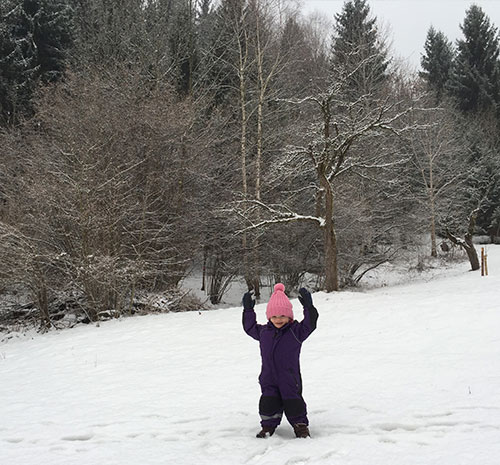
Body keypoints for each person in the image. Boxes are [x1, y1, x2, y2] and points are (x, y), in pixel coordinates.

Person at [242, 283, 319, 438]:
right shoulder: (264, 332)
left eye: (282, 316)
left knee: (294, 402)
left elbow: (310, 324)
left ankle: (301, 426)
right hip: (268, 377)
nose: (278, 319)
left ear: (289, 316)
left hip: (289, 378)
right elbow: (249, 327)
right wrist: (248, 310)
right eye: (274, 316)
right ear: (269, 316)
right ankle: (268, 427)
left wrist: (309, 307)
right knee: (268, 402)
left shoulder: (296, 332)